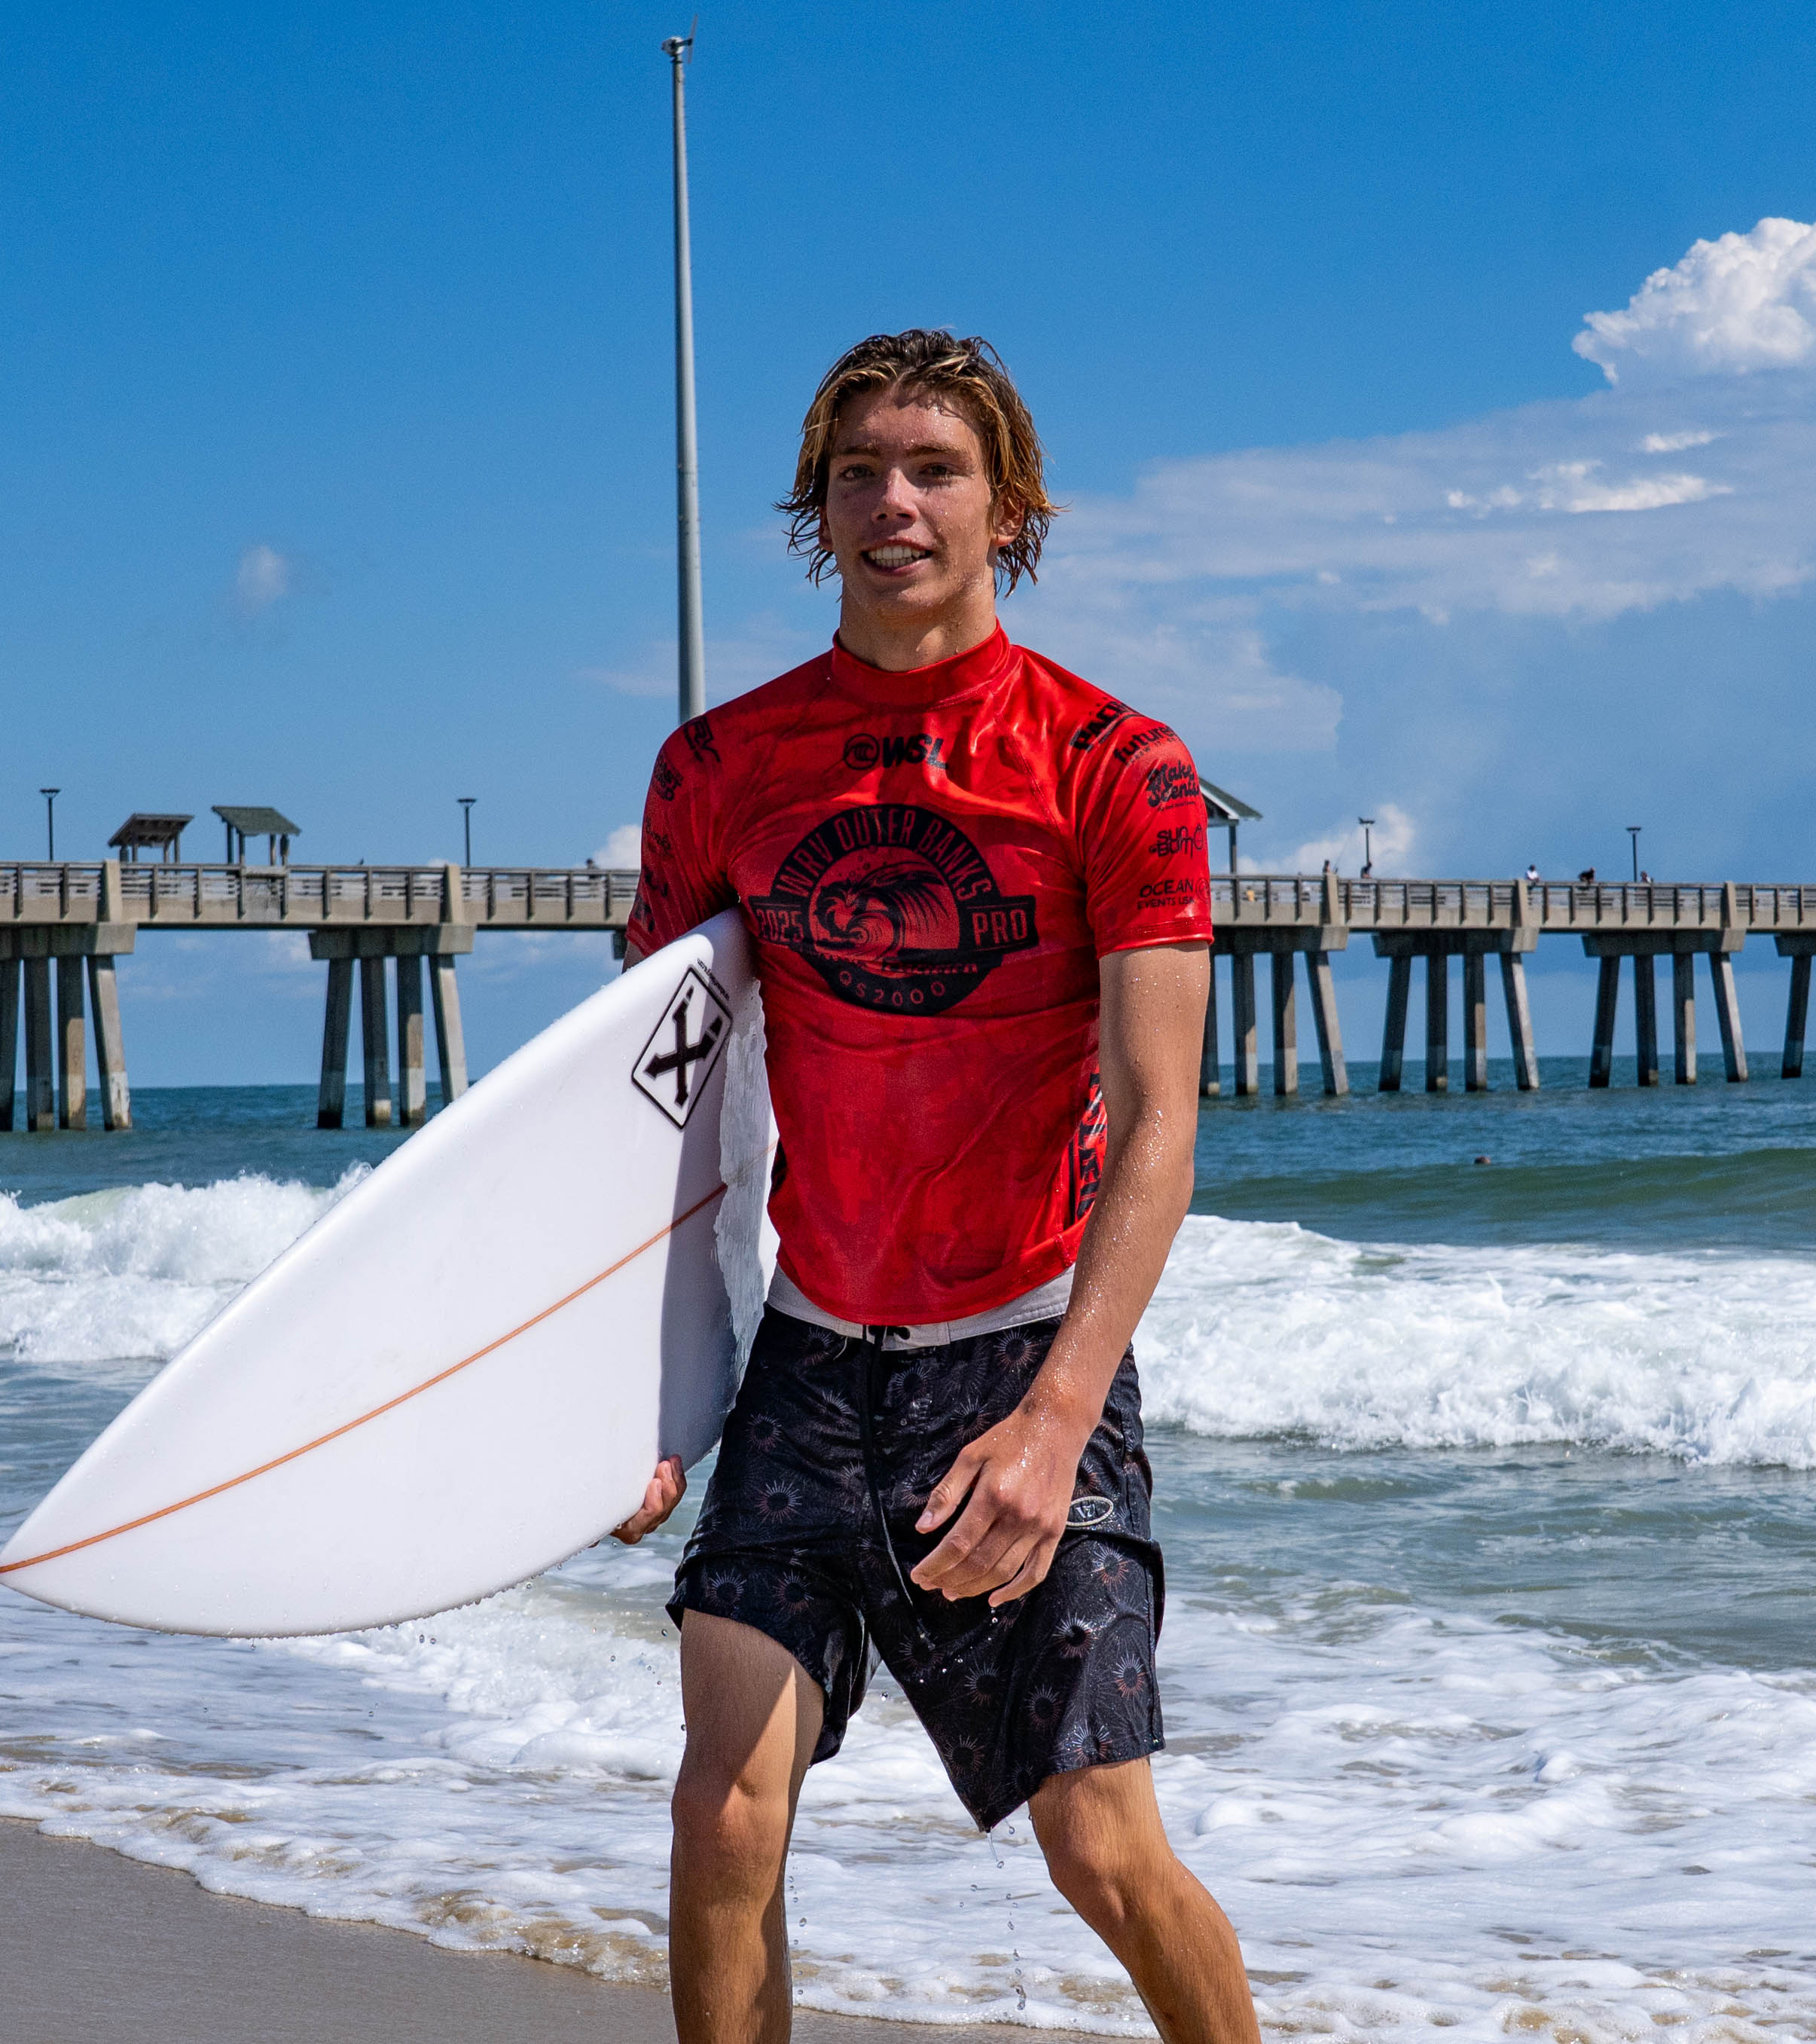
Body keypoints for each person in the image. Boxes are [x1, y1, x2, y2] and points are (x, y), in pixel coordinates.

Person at [609, 329, 1258, 2044]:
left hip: (1020, 1347)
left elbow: (1157, 1113)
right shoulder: (716, 768)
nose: (892, 503)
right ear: (814, 512)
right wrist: (630, 1400)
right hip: (815, 1366)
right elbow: (661, 1111)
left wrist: (1056, 1423)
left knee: (1101, 1849)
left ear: (1011, 506)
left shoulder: (1117, 764)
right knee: (721, 1815)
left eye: (934, 469)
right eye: (855, 473)